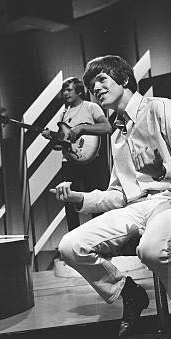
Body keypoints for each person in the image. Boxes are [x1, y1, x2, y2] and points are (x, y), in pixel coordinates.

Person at [52, 55, 171, 339]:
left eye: (101, 79)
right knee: (71, 246)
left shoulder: (160, 108)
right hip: (135, 207)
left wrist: (162, 172)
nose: (95, 88)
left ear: (124, 79)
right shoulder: (117, 133)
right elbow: (117, 194)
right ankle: (129, 293)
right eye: (90, 85)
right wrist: (79, 198)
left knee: (151, 250)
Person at [43, 76, 112, 231]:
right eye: (63, 90)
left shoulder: (91, 107)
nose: (65, 93)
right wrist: (53, 138)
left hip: (90, 161)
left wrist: (81, 128)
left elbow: (107, 128)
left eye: (69, 89)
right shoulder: (63, 115)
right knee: (68, 201)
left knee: (94, 200)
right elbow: (61, 146)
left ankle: (100, 237)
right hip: (69, 163)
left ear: (79, 91)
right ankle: (72, 238)